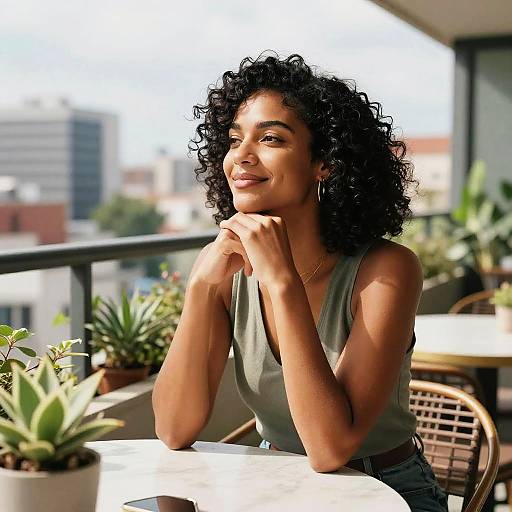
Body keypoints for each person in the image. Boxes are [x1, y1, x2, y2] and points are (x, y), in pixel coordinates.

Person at [152, 51, 448, 511]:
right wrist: (200, 288)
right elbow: (173, 428)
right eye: (233, 140)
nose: (242, 157)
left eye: (270, 138)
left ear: (323, 162)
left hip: (387, 490)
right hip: (276, 486)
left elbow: (331, 449)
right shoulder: (225, 271)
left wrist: (281, 282)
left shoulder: (386, 271)